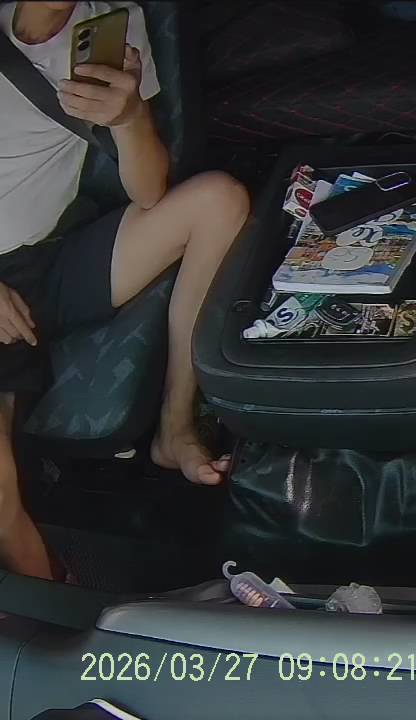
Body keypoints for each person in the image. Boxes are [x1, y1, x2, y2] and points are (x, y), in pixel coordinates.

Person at [1, 1, 249, 580]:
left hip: (40, 264)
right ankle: (53, 616)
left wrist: (130, 117)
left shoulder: (114, 21)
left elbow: (149, 191)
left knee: (218, 201)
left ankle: (175, 425)